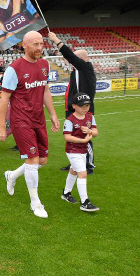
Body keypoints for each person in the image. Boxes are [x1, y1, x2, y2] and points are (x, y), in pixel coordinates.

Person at [0, 31, 60, 219]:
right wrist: (1, 126)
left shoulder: (44, 64)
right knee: (32, 161)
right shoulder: (14, 68)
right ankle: (36, 203)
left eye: (41, 44)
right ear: (23, 45)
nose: (39, 48)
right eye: (35, 44)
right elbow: (4, 98)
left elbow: (45, 90)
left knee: (41, 160)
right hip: (21, 120)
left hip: (38, 119)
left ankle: (12, 176)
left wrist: (53, 114)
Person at [47, 32, 97, 174]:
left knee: (84, 136)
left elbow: (69, 55)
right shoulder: (75, 71)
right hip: (72, 109)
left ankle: (89, 165)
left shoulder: (85, 68)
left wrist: (56, 40)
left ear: (80, 59)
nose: (69, 61)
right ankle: (75, 165)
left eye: (75, 58)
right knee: (73, 136)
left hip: (83, 109)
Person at [61, 93, 100, 212]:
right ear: (74, 106)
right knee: (82, 173)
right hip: (73, 151)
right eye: (82, 105)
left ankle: (66, 193)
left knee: (73, 170)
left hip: (83, 150)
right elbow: (67, 137)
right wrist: (83, 140)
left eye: (87, 105)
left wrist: (89, 131)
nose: (85, 108)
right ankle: (85, 202)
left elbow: (96, 132)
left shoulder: (90, 117)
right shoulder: (70, 120)